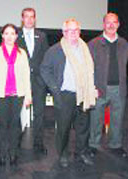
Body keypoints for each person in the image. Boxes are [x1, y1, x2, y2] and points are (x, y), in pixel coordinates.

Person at [41, 18, 97, 168]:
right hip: (65, 95)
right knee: (63, 128)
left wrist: (92, 87)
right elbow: (44, 69)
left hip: (84, 94)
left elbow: (90, 71)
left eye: (76, 30)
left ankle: (81, 152)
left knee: (83, 126)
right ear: (64, 32)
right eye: (69, 30)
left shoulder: (85, 49)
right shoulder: (55, 49)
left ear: (79, 31)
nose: (73, 33)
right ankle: (63, 154)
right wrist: (54, 88)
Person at [0, 24, 32, 167]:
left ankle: (13, 153)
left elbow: (27, 76)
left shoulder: (22, 53)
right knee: (2, 126)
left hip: (18, 95)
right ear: (2, 35)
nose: (9, 36)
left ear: (16, 36)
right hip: (0, 95)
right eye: (6, 33)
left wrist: (28, 95)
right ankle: (2, 154)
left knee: (14, 126)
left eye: (12, 33)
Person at [87, 13, 128, 158]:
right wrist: (92, 87)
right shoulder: (93, 43)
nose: (111, 25)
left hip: (119, 88)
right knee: (96, 118)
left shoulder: (124, 43)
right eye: (108, 23)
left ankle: (115, 145)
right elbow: (89, 68)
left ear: (118, 24)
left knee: (117, 118)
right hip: (99, 88)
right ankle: (93, 144)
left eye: (114, 22)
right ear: (103, 24)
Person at [17, 7, 49, 155]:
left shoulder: (42, 36)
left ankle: (38, 143)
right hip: (20, 81)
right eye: (26, 17)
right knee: (17, 112)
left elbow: (46, 58)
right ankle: (15, 141)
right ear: (22, 19)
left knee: (39, 113)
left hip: (38, 81)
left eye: (32, 17)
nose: (29, 19)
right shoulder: (14, 35)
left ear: (35, 19)